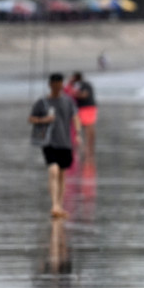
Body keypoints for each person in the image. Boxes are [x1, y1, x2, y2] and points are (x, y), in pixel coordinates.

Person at [29, 73, 81, 217]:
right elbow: (31, 118)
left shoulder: (68, 102)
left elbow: (75, 117)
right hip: (48, 142)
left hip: (65, 142)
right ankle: (54, 205)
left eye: (60, 85)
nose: (58, 88)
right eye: (55, 85)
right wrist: (44, 120)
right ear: (50, 85)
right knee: (53, 170)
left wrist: (77, 133)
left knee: (62, 174)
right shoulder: (42, 102)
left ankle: (59, 205)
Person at [66, 71, 98, 155]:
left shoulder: (80, 84)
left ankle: (87, 146)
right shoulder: (87, 83)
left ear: (76, 77)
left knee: (86, 126)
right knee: (90, 126)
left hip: (85, 107)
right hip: (92, 106)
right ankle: (90, 145)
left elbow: (84, 95)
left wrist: (74, 94)